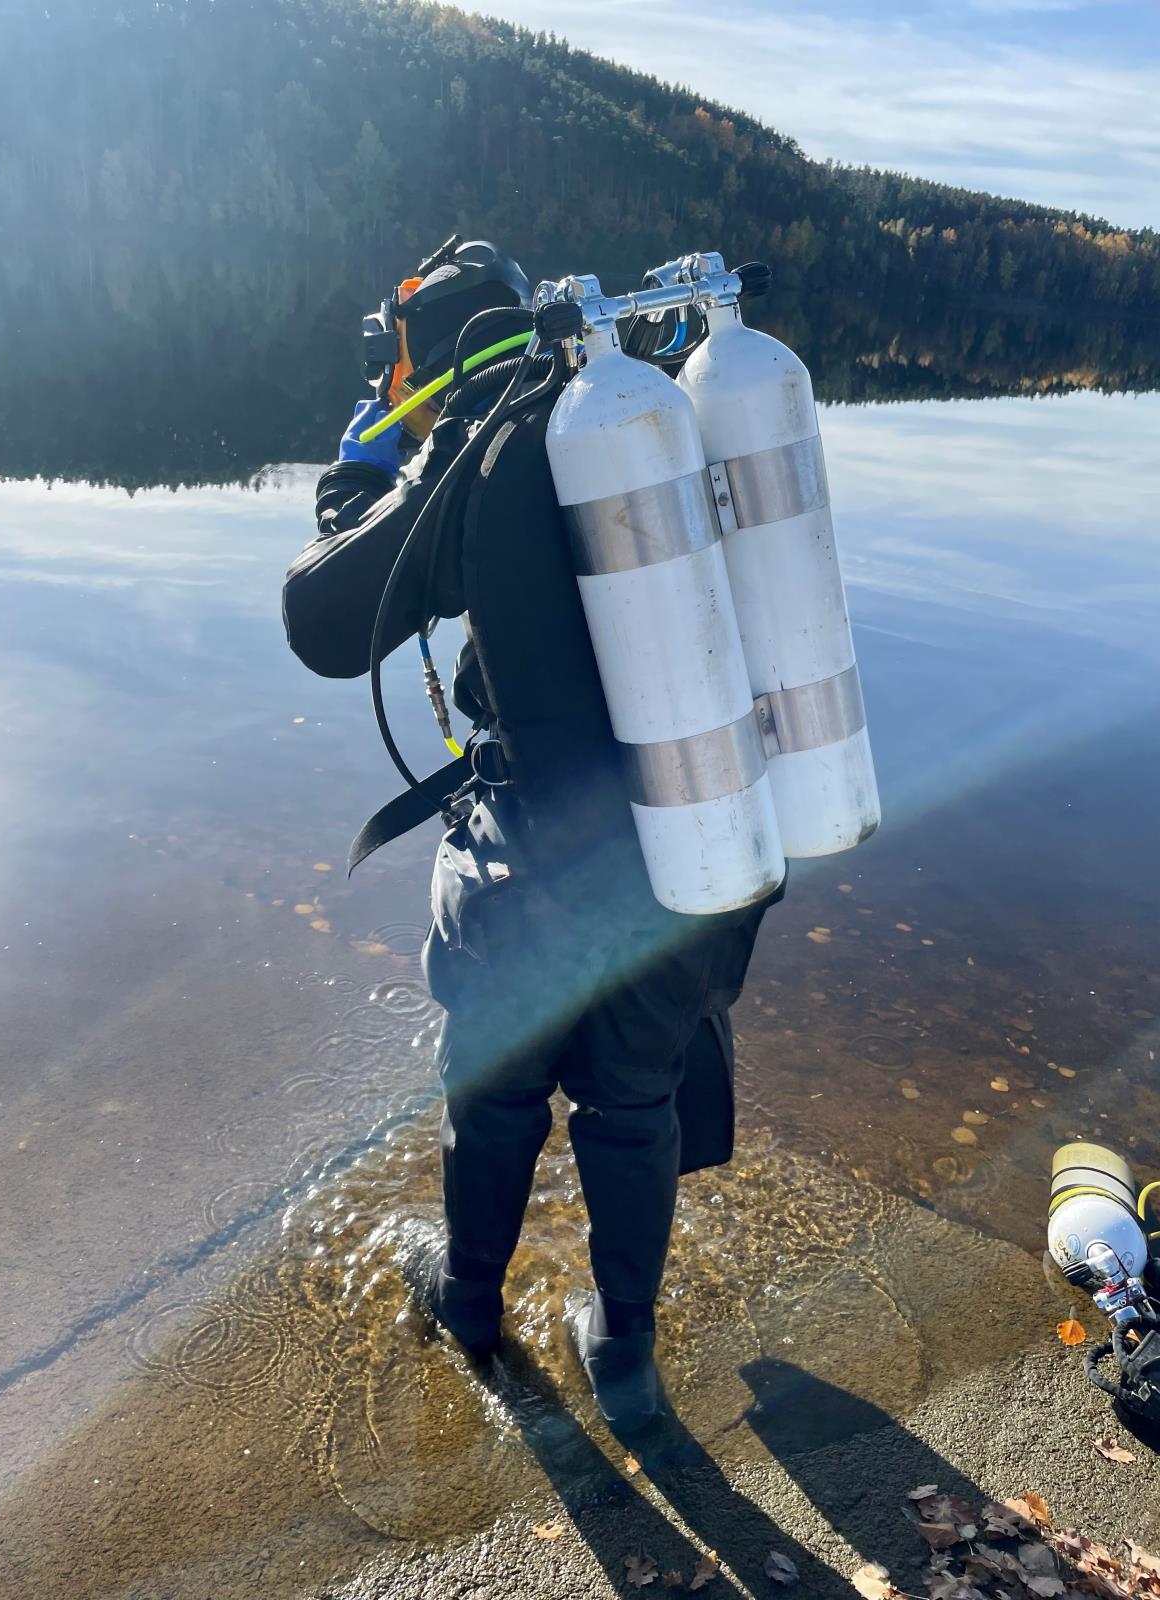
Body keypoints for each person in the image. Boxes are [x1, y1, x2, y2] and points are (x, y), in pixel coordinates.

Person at [283, 238, 784, 1432]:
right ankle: (624, 1347)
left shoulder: (486, 441)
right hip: (695, 844)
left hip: (530, 860)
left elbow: (323, 616)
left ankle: (468, 1308)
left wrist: (357, 480)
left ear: (428, 355)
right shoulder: (638, 416)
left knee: (495, 1096)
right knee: (634, 1103)